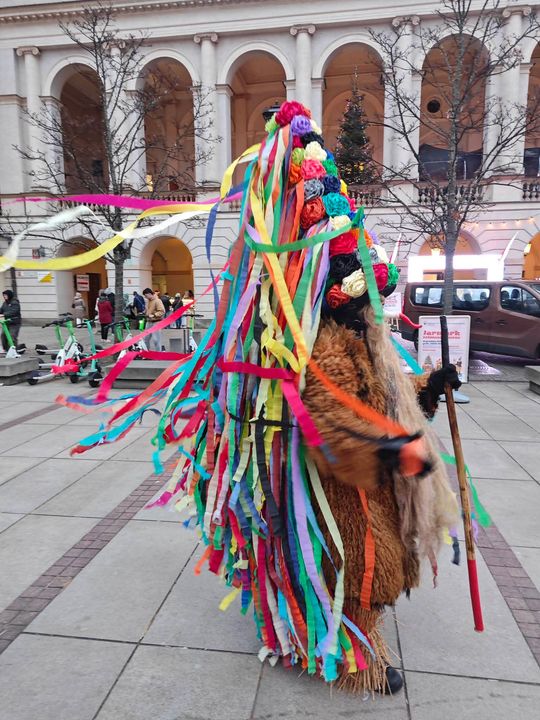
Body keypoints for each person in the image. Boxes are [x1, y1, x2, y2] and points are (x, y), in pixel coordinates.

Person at [69, 101, 463, 697]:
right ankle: (355, 661)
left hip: (369, 483)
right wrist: (390, 451)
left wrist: (427, 388)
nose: (372, 303)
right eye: (363, 293)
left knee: (372, 566)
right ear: (338, 295)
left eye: (374, 292)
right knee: (356, 567)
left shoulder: (367, 338)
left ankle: (331, 637)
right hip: (341, 490)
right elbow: (326, 416)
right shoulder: (326, 343)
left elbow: (384, 392)